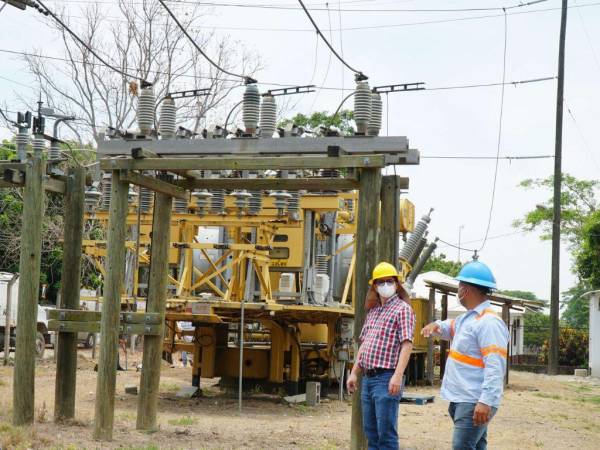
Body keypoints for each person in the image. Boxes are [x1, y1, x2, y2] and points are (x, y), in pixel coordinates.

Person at [421, 259, 509, 450]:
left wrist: (485, 401)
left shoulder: (488, 322)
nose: (458, 291)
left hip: (474, 400)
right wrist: (436, 325)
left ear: (466, 289)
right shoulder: (468, 318)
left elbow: (495, 366)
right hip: (463, 399)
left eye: (459, 285)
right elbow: (449, 328)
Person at [346, 261, 416, 450]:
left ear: (396, 284)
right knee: (372, 434)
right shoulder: (374, 311)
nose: (385, 285)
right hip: (368, 379)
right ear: (374, 287)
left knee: (386, 436)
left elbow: (407, 344)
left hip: (386, 377)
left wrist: (397, 375)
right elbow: (364, 344)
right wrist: (354, 372)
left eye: (389, 281)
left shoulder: (403, 309)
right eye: (381, 282)